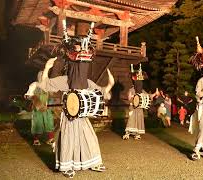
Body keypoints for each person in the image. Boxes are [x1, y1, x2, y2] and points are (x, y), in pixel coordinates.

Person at [25, 22, 115, 178]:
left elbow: (102, 91)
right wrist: (47, 68)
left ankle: (93, 162)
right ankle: (67, 166)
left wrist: (110, 85)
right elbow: (45, 84)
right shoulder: (66, 80)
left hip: (82, 116)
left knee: (88, 137)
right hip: (69, 115)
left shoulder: (86, 82)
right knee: (68, 139)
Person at [122, 64, 158, 140]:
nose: (139, 84)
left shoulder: (142, 91)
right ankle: (127, 133)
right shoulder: (131, 90)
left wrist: (155, 94)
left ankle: (137, 134)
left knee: (139, 119)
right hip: (133, 107)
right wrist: (133, 98)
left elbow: (148, 96)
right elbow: (129, 98)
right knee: (131, 119)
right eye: (138, 83)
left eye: (140, 83)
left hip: (139, 108)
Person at [30, 76, 55, 146]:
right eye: (41, 76)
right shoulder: (34, 85)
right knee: (37, 124)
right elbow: (28, 95)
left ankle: (51, 139)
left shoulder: (48, 85)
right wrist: (35, 100)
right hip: (37, 108)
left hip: (47, 108)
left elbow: (51, 96)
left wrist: (50, 103)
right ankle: (36, 140)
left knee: (49, 123)